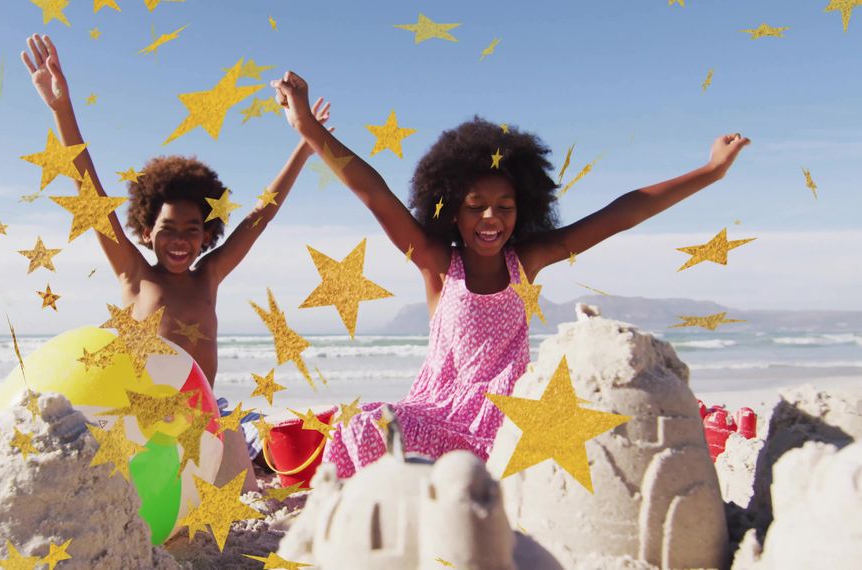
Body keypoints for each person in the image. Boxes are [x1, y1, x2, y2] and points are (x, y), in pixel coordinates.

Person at [271, 70, 750, 478]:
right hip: (436, 415)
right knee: (367, 424)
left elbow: (622, 213)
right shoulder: (438, 264)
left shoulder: (529, 261)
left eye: (505, 206)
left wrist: (710, 171)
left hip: (507, 420)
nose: (490, 219)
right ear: (451, 210)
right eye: (475, 207)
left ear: (525, 208)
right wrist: (310, 127)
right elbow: (373, 193)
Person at [21, 34, 330, 492]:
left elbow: (261, 216)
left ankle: (263, 454)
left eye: (192, 229)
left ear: (208, 235)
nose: (180, 239)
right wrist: (61, 109)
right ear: (147, 230)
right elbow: (90, 191)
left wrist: (305, 145)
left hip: (207, 416)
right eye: (168, 228)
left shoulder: (209, 276)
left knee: (261, 454)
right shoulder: (134, 272)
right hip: (141, 420)